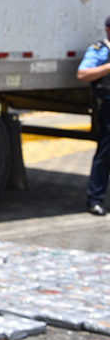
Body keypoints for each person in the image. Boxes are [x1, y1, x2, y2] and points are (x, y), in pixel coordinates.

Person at [77, 15, 110, 216]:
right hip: (108, 106)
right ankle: (95, 199)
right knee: (105, 155)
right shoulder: (101, 49)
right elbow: (82, 74)